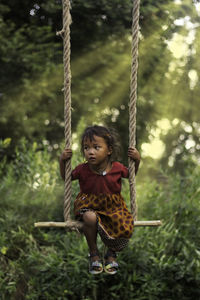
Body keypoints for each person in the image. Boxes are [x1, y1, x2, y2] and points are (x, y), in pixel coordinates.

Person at [60, 125, 140, 275]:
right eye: (86, 148)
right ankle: (94, 253)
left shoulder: (117, 168)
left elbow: (132, 175)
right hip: (89, 205)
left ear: (109, 150)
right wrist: (62, 161)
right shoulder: (83, 169)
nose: (90, 152)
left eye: (96, 147)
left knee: (122, 222)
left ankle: (111, 253)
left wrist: (137, 160)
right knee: (89, 217)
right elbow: (67, 178)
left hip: (113, 207)